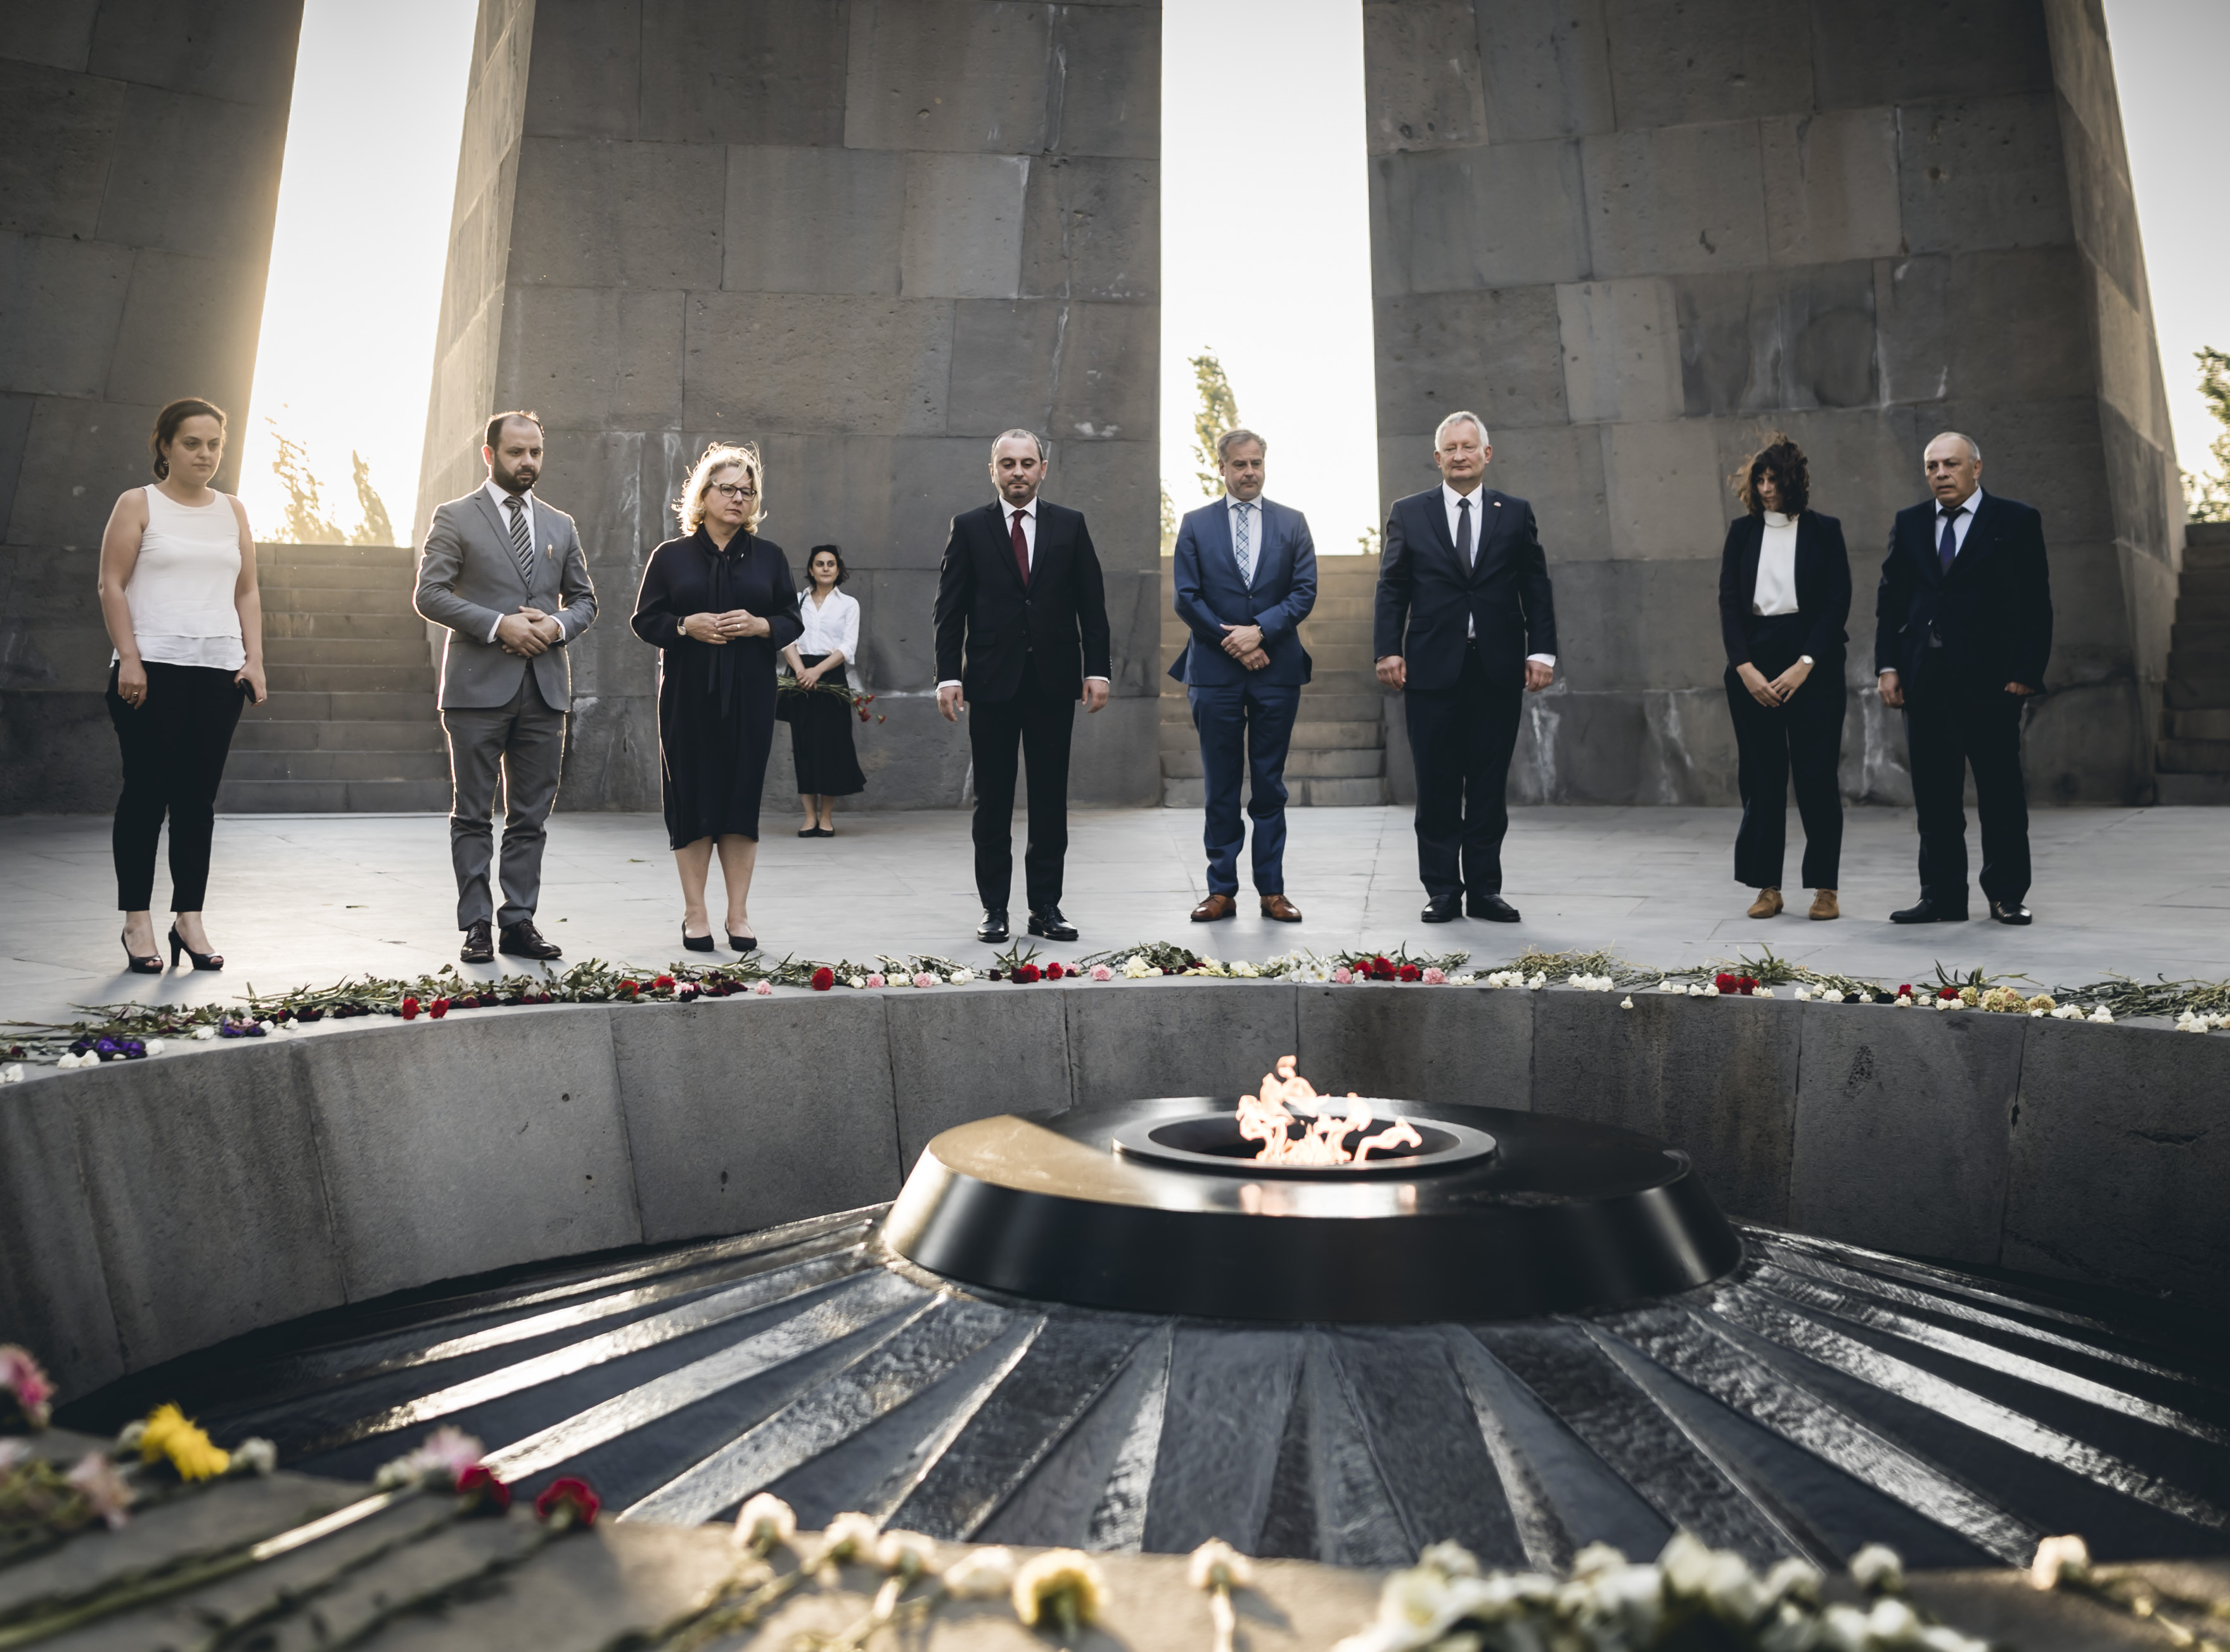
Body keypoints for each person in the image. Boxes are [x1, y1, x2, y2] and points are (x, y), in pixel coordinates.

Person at [414, 411, 598, 964]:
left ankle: (518, 920)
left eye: (536, 452)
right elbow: (429, 594)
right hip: (475, 689)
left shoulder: (561, 525)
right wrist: (500, 625)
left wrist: (556, 625)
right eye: (517, 452)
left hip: (544, 690)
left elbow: (585, 600)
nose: (528, 463)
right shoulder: (454, 517)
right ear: (490, 455)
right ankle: (476, 924)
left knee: (530, 816)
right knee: (472, 813)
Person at [96, 397, 267, 973]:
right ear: (165, 445)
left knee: (197, 802)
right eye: (192, 443)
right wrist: (130, 658)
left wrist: (254, 660)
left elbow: (246, 591)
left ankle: (188, 917)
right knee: (146, 795)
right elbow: (111, 585)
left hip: (218, 673)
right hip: (151, 671)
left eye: (214, 443)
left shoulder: (233, 511)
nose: (205, 454)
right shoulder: (137, 504)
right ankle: (136, 920)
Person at [1373, 411, 1558, 923]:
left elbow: (1535, 586)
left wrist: (1541, 651)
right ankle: (1441, 891)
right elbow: (1392, 586)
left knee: (1486, 783)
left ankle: (1484, 890)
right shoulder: (1409, 513)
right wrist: (1387, 649)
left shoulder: (1515, 512)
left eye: (1467, 446)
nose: (1459, 455)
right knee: (1435, 784)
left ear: (1486, 454)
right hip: (1430, 671)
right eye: (1449, 448)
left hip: (1496, 668)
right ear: (1437, 458)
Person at [934, 429, 1112, 944]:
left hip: (1054, 684)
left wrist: (1096, 669)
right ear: (993, 470)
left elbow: (1092, 607)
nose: (1017, 472)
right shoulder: (969, 527)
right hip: (990, 684)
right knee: (991, 801)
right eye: (1007, 463)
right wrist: (949, 675)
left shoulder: (1070, 526)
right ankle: (994, 907)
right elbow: (949, 610)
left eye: (1026, 463)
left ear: (1043, 469)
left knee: (1050, 800)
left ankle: (1046, 907)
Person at [632, 443, 803, 953]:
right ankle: (695, 913)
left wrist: (759, 625)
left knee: (739, 798)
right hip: (687, 696)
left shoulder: (770, 557)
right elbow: (645, 620)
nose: (738, 498)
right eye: (727, 489)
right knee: (691, 798)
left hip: (750, 694)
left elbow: (792, 619)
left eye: (747, 491)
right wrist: (685, 625)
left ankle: (739, 915)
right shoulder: (670, 556)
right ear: (702, 495)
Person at [1876, 432, 2052, 925]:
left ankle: (2006, 895)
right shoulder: (1909, 523)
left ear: (1976, 467)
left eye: (1950, 465)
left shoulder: (2015, 520)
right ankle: (1941, 896)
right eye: (1932, 466)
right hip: (1923, 680)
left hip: (1991, 683)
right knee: (1934, 797)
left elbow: (2035, 601)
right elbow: (1889, 601)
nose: (1940, 474)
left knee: (1999, 793)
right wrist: (1887, 666)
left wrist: (2025, 671)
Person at [1169, 428, 1316, 924]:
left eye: (1255, 463)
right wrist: (1234, 640)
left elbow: (1303, 591)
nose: (1248, 472)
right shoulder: (1194, 524)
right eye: (1239, 464)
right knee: (1221, 785)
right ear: (1221, 468)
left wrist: (1261, 633)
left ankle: (1272, 891)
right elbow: (1186, 597)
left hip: (1277, 671)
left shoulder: (1292, 522)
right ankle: (1221, 890)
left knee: (1270, 784)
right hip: (1213, 672)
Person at [1717, 434, 1852, 921]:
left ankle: (1825, 887)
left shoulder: (1823, 530)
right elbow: (1729, 603)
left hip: (1813, 665)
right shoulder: (1741, 532)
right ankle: (1767, 887)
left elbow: (1837, 603)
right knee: (1761, 779)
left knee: (1816, 776)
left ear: (1793, 481)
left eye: (1775, 478)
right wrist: (1744, 667)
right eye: (1760, 478)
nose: (1767, 487)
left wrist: (1805, 664)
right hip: (1753, 664)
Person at [780, 544, 866, 836]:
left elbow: (848, 646)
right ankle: (808, 817)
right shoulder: (796, 602)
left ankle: (826, 817)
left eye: (831, 564)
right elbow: (785, 639)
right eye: (820, 564)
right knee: (804, 745)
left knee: (832, 747)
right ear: (811, 569)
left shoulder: (848, 604)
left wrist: (817, 670)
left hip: (830, 676)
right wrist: (802, 671)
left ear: (839, 570)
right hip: (799, 676)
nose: (826, 568)